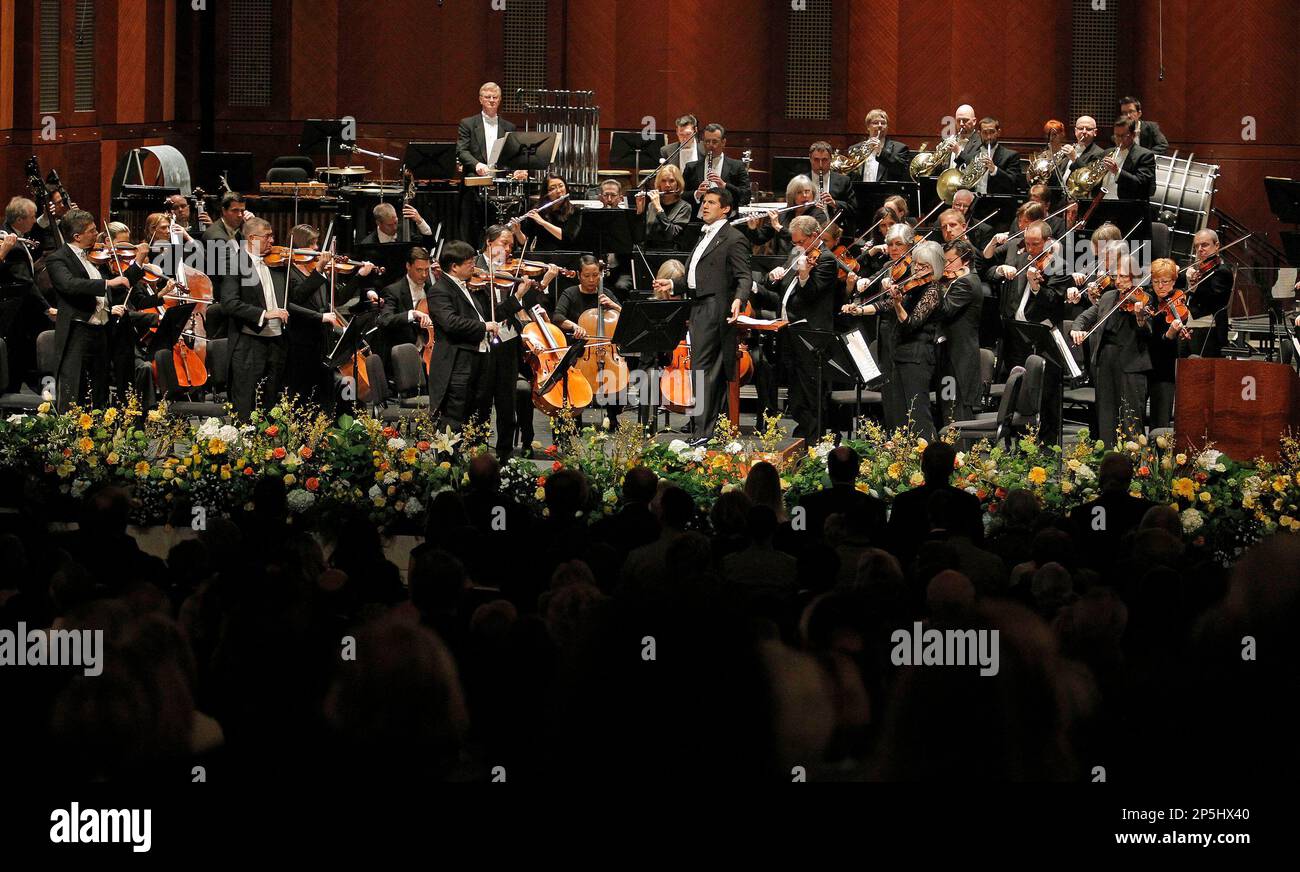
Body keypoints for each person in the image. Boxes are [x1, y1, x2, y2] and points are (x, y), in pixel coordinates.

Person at [652, 189, 751, 444]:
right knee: (704, 371)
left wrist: (739, 298)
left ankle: (702, 433)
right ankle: (704, 432)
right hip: (698, 307)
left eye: (711, 203)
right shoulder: (704, 235)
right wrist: (673, 287)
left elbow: (744, 276)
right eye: (704, 202)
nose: (704, 206)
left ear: (726, 208)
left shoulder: (733, 238)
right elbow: (696, 277)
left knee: (704, 372)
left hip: (715, 309)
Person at [45, 209, 147, 411]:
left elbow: (121, 284)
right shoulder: (57, 259)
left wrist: (138, 261)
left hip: (101, 332)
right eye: (91, 231)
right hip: (78, 331)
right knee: (75, 389)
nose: (96, 234)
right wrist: (107, 283)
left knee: (99, 389)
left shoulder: (96, 259)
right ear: (77, 236)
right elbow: (70, 284)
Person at [851, 236, 945, 439]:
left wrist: (897, 303)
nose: (918, 270)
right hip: (898, 354)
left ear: (935, 267)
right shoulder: (911, 285)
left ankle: (927, 458)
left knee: (917, 413)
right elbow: (882, 306)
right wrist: (858, 310)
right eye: (917, 264)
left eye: (924, 266)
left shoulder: (933, 290)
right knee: (896, 413)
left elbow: (911, 322)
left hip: (917, 357)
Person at [763, 215, 837, 438]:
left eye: (800, 241)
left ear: (814, 236)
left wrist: (804, 275)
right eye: (794, 242)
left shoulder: (826, 259)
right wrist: (772, 275)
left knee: (811, 391)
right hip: (790, 333)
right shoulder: (798, 254)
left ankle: (815, 437)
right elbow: (778, 287)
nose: (796, 246)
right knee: (795, 390)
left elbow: (810, 295)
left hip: (811, 335)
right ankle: (803, 432)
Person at [1070, 254, 1152, 446]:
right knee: (1106, 417)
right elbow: (1085, 317)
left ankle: (1136, 466)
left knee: (1130, 420)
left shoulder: (1144, 299)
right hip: (1105, 362)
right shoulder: (1108, 297)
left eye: (1125, 276)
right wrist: (1076, 329)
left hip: (1131, 364)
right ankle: (1106, 459)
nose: (1119, 282)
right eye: (1116, 277)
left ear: (1136, 277)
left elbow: (1149, 331)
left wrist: (1141, 319)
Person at [221, 217, 291, 420]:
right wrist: (264, 314)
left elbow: (293, 296)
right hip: (249, 343)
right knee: (246, 402)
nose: (272, 240)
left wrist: (319, 271)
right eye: (268, 236)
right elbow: (229, 303)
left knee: (270, 402)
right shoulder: (235, 263)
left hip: (276, 341)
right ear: (252, 238)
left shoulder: (276, 264)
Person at [427, 240, 501, 429]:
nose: (474, 268)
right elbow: (450, 323)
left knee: (476, 415)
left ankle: (472, 456)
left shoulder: (466, 287)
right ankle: (447, 459)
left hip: (475, 360)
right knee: (455, 416)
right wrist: (484, 327)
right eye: (470, 264)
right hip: (457, 363)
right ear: (454, 267)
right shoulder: (439, 290)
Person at [885, 440, 984, 566]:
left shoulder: (904, 502)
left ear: (923, 466)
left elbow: (893, 546)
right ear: (952, 468)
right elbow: (978, 545)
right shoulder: (968, 502)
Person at [456, 81, 529, 242]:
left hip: (499, 188)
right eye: (487, 97)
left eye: (495, 97)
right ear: (480, 99)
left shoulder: (508, 126)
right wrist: (477, 164)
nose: (491, 100)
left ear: (500, 99)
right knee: (472, 230)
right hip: (474, 185)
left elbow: (512, 156)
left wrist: (517, 170)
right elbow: (461, 150)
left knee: (497, 230)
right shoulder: (468, 124)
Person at [796, 445, 886, 543]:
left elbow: (796, 539)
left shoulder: (805, 503)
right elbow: (882, 544)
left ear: (829, 471)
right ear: (857, 471)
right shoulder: (876, 507)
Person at [937, 239, 983, 424]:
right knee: (948, 406)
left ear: (964, 260)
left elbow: (944, 310)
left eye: (949, 261)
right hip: (951, 356)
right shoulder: (958, 281)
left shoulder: (967, 283)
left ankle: (960, 451)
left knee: (956, 411)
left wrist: (935, 286)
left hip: (959, 358)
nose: (945, 266)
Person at [1182, 228, 1234, 358]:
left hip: (1209, 328)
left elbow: (1212, 299)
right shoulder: (1200, 269)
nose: (1200, 249)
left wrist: (1194, 286)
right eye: (1196, 246)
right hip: (1190, 325)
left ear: (1217, 246)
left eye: (1204, 245)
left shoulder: (1222, 271)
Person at [1145, 258, 1183, 429]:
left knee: (1160, 423)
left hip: (1164, 369)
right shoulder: (1146, 299)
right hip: (1142, 366)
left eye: (1165, 282)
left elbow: (1165, 345)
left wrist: (1169, 335)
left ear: (1174, 281)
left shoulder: (1178, 303)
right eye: (1155, 281)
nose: (1160, 286)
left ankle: (1160, 456)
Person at [683, 123, 752, 214]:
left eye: (714, 142)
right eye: (707, 141)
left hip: (727, 219)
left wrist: (725, 186)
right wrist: (697, 194)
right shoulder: (691, 167)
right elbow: (681, 196)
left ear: (723, 142)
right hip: (697, 220)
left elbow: (746, 196)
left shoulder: (737, 166)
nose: (710, 145)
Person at [513, 174, 582, 251]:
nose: (559, 191)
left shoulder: (575, 211)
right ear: (546, 193)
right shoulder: (537, 210)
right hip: (539, 257)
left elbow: (567, 237)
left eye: (561, 186)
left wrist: (543, 222)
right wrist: (518, 232)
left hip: (564, 257)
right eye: (552, 188)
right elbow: (525, 243)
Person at [634, 164, 692, 250]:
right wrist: (639, 212)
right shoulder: (651, 205)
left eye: (671, 181)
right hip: (649, 251)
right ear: (659, 184)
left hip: (670, 252)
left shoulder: (685, 207)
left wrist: (659, 209)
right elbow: (640, 236)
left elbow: (672, 234)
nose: (667, 185)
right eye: (663, 181)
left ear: (678, 184)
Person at [1102, 117, 1156, 202]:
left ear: (1133, 135)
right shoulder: (1106, 153)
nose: (1119, 139)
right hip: (1101, 202)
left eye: (1123, 136)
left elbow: (1142, 185)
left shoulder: (1145, 155)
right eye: (1116, 135)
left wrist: (1117, 171)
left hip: (1126, 206)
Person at [968, 117, 1024, 196]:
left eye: (992, 132)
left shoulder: (1011, 156)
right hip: (973, 202)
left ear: (998, 132)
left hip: (997, 204)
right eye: (985, 133)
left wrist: (994, 169)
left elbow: (1014, 183)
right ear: (979, 133)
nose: (989, 137)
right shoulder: (972, 154)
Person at [857, 109, 912, 182]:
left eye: (883, 123)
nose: (880, 126)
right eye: (875, 122)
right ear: (868, 126)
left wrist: (881, 151)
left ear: (887, 127)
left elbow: (901, 170)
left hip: (886, 193)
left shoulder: (900, 148)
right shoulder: (856, 148)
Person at [807, 141, 858, 217]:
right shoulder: (802, 180)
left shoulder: (844, 181)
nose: (820, 164)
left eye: (824, 160)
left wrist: (834, 203)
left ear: (831, 159)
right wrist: (810, 207)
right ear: (810, 159)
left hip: (834, 225)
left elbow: (853, 208)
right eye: (816, 160)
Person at [357, 201, 436, 247]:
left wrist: (420, 221)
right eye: (389, 225)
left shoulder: (402, 231)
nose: (395, 227)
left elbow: (429, 244)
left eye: (395, 222)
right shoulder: (368, 243)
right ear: (378, 223)